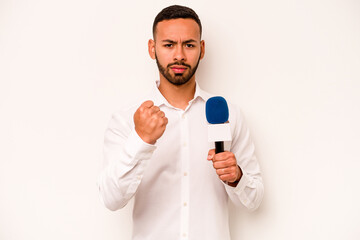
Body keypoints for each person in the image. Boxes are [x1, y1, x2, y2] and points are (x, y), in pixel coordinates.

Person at [98, 5, 264, 240]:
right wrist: (141, 140)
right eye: (169, 45)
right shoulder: (126, 119)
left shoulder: (229, 115)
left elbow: (254, 200)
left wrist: (236, 176)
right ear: (152, 48)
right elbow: (111, 199)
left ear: (201, 48)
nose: (179, 56)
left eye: (189, 44)